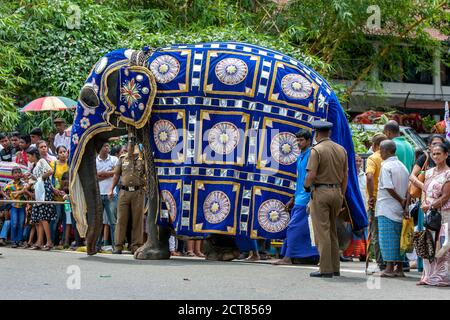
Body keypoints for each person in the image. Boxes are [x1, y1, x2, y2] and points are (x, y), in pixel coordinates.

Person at [304, 120, 348, 278]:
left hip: (321, 192)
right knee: (332, 231)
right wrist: (341, 194)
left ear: (316, 133)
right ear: (329, 132)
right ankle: (335, 268)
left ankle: (325, 269)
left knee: (322, 232)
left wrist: (306, 187)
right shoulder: (341, 149)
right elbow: (345, 176)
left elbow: (311, 175)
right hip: (336, 192)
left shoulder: (316, 150)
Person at [274, 129, 319, 265]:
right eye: (297, 140)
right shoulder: (300, 156)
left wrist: (309, 196)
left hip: (306, 197)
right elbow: (300, 180)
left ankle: (288, 257)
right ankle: (307, 256)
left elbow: (311, 178)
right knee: (302, 228)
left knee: (294, 227)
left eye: (301, 140)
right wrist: (293, 198)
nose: (298, 143)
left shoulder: (312, 155)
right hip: (299, 197)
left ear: (309, 140)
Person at [375, 140, 410, 277]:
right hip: (399, 208)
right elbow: (408, 189)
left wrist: (400, 199)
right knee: (399, 238)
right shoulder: (402, 166)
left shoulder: (386, 166)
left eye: (381, 151)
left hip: (387, 207)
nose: (380, 153)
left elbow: (389, 187)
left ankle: (389, 268)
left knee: (387, 238)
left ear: (387, 151)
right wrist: (404, 203)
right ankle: (399, 268)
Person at [419, 143, 450, 286]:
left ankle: (442, 277)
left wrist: (430, 205)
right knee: (428, 243)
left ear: (446, 155)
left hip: (443, 214)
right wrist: (424, 204)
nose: (435, 156)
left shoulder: (448, 173)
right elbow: (424, 191)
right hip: (428, 212)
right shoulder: (429, 172)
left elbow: (446, 196)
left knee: (442, 244)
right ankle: (427, 276)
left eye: (438, 153)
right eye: (433, 153)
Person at [109, 138, 146, 254]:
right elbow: (116, 175)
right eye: (128, 147)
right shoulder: (122, 159)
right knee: (121, 219)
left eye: (132, 146)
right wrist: (111, 189)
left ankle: (135, 245)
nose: (129, 149)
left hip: (138, 192)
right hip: (123, 192)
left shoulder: (142, 159)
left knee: (137, 220)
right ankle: (118, 245)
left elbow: (147, 175)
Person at [365, 133, 388, 273]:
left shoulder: (373, 158)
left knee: (376, 233)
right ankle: (390, 261)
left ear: (375, 146)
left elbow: (369, 177)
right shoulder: (390, 158)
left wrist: (371, 196)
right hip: (387, 200)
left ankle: (382, 263)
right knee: (386, 231)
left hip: (376, 200)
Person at [26, 147, 56, 251]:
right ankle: (39, 242)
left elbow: (50, 171)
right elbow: (36, 179)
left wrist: (39, 178)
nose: (28, 158)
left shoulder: (42, 161)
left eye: (29, 156)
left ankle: (49, 241)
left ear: (34, 155)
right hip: (38, 191)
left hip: (44, 191)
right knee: (38, 219)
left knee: (43, 217)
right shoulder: (34, 166)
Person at [96, 142, 118, 251]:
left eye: (108, 146)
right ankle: (96, 246)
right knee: (98, 221)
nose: (107, 147)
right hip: (99, 194)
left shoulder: (114, 159)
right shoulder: (94, 161)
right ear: (100, 148)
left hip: (111, 194)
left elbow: (117, 172)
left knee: (113, 221)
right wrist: (109, 173)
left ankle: (115, 246)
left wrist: (102, 173)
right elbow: (94, 177)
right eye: (104, 146)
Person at [3, 167, 32, 248]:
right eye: (15, 173)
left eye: (19, 172)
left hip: (22, 207)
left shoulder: (24, 184)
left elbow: (27, 193)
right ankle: (13, 241)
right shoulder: (9, 184)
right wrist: (8, 198)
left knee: (21, 223)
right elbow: (4, 192)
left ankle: (19, 240)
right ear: (12, 174)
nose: (17, 174)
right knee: (14, 223)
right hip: (13, 206)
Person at [49, 146, 69, 246]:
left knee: (66, 220)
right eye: (60, 152)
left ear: (67, 153)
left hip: (67, 197)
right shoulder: (53, 164)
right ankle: (52, 241)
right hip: (56, 197)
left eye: (64, 152)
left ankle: (65, 241)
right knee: (55, 219)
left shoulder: (70, 164)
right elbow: (49, 179)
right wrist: (53, 189)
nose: (62, 154)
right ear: (57, 154)